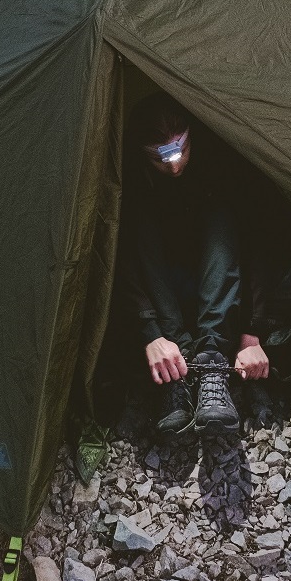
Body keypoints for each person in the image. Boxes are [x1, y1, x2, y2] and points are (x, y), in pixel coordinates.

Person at [119, 95, 275, 436]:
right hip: (165, 295)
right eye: (160, 158)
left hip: (220, 288)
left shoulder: (221, 165)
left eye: (180, 150)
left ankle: (210, 365)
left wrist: (253, 332)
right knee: (137, 229)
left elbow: (259, 242)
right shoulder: (128, 181)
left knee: (222, 217)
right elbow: (123, 264)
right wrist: (151, 335)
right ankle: (178, 371)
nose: (174, 166)